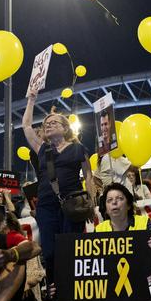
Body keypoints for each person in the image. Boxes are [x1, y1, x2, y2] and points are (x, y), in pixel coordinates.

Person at [22, 90, 96, 285]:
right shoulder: (42, 148)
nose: (48, 125)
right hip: (47, 206)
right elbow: (27, 126)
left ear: (65, 128)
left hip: (74, 204)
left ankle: (74, 288)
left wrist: (92, 203)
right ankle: (55, 289)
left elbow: (88, 176)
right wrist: (31, 100)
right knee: (50, 250)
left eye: (54, 122)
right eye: (46, 124)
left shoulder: (78, 148)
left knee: (72, 248)